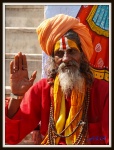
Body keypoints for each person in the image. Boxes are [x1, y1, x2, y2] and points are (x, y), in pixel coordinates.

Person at [5, 14, 109, 145]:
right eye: (59, 54)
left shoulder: (103, 92)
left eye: (71, 51)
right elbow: (9, 135)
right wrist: (17, 95)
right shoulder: (42, 89)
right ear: (53, 59)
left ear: (83, 56)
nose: (65, 59)